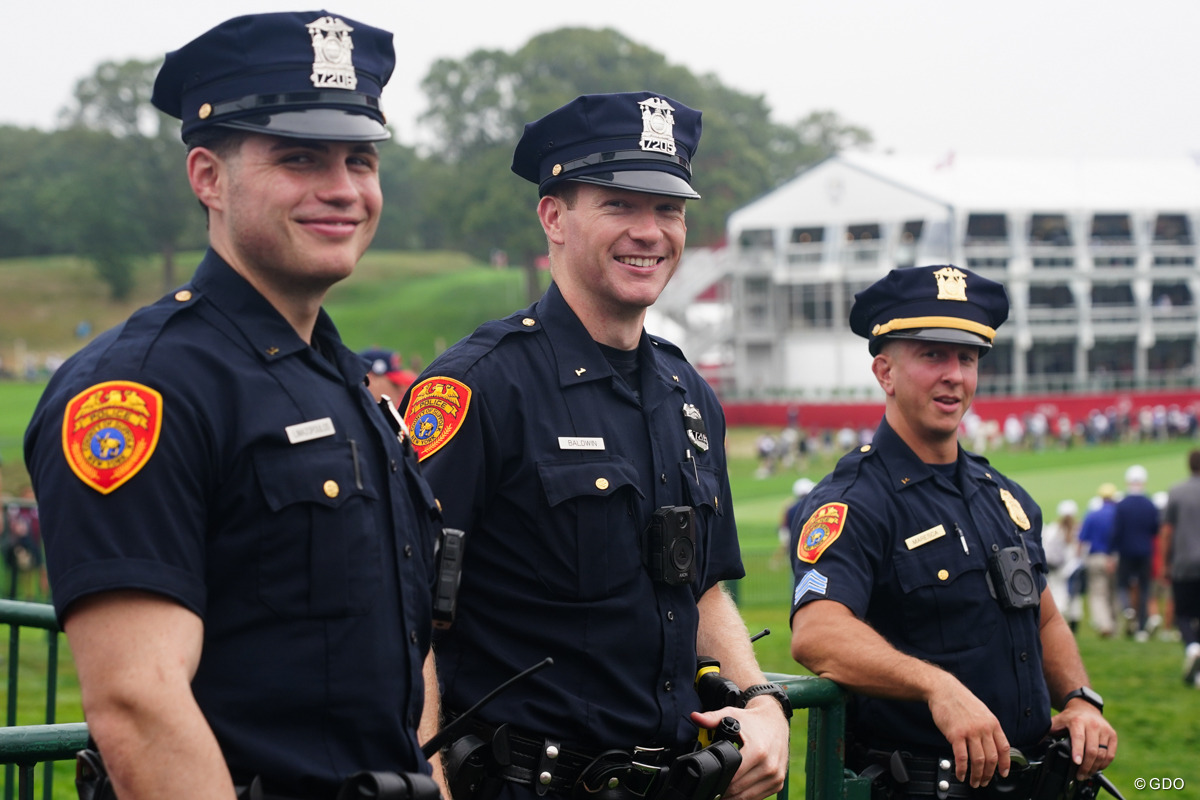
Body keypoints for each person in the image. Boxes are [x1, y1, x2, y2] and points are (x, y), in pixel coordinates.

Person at [24, 12, 446, 800]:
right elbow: (137, 702)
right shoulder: (142, 388)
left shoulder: (346, 383)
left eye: (361, 159)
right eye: (299, 158)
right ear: (208, 178)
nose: (345, 190)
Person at [402, 92, 790, 800]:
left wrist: (763, 702)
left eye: (668, 210)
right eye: (620, 205)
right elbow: (408, 614)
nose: (650, 232)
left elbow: (699, 587)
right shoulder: (480, 388)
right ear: (553, 217)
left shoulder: (687, 395)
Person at [788, 265, 1116, 798]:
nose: (954, 375)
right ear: (885, 373)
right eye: (932, 355)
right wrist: (936, 687)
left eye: (966, 358)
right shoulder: (854, 502)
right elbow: (817, 634)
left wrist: (1080, 699)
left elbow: (1045, 616)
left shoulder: (1003, 497)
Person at [1159, 449, 1200, 686]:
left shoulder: (1176, 492)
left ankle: (1192, 647)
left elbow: (1166, 532)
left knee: (1183, 613)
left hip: (1184, 562)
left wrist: (1165, 563)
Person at [1110, 464, 1160, 640]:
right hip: (1145, 552)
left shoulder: (1121, 505)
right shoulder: (1150, 504)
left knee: (1123, 585)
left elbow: (1116, 531)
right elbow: (1155, 529)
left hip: (1126, 552)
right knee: (1145, 589)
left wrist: (1112, 552)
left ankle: (1127, 609)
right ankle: (1141, 628)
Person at [1078, 484, 1120, 637]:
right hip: (1115, 557)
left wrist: (1078, 559)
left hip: (1096, 557)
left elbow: (1082, 539)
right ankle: (1114, 626)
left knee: (1097, 594)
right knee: (1114, 593)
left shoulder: (1092, 514)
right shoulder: (1118, 514)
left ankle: (1104, 624)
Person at [1042, 499, 1083, 632]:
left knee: (1059, 592)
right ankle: (1073, 621)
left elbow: (1046, 547)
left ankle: (1060, 621)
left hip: (1057, 567)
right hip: (1073, 566)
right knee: (1074, 594)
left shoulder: (1053, 529)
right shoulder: (1078, 529)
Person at [772, 478, 814, 570]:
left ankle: (776, 563)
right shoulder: (806, 506)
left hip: (790, 532)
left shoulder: (792, 506)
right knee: (785, 548)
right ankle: (775, 562)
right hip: (791, 532)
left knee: (787, 549)